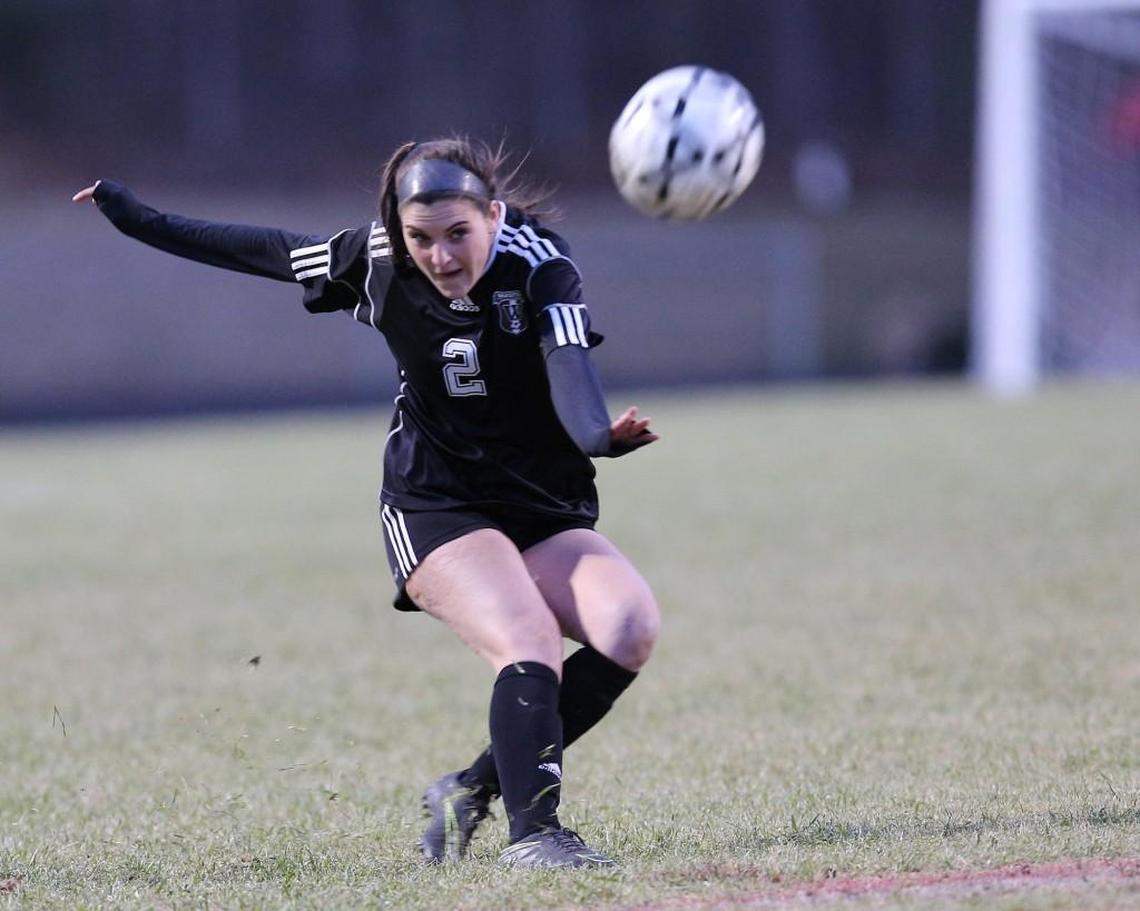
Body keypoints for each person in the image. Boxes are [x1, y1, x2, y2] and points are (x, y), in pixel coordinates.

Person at [73, 137, 661, 868]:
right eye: (422, 238)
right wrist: (138, 219)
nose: (441, 256)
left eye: (457, 234)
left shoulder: (539, 264)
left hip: (538, 500)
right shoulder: (377, 259)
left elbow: (569, 365)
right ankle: (535, 835)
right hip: (435, 502)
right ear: (397, 230)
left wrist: (598, 437)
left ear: (494, 215)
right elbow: (265, 250)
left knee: (629, 626)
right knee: (529, 639)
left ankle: (469, 789)